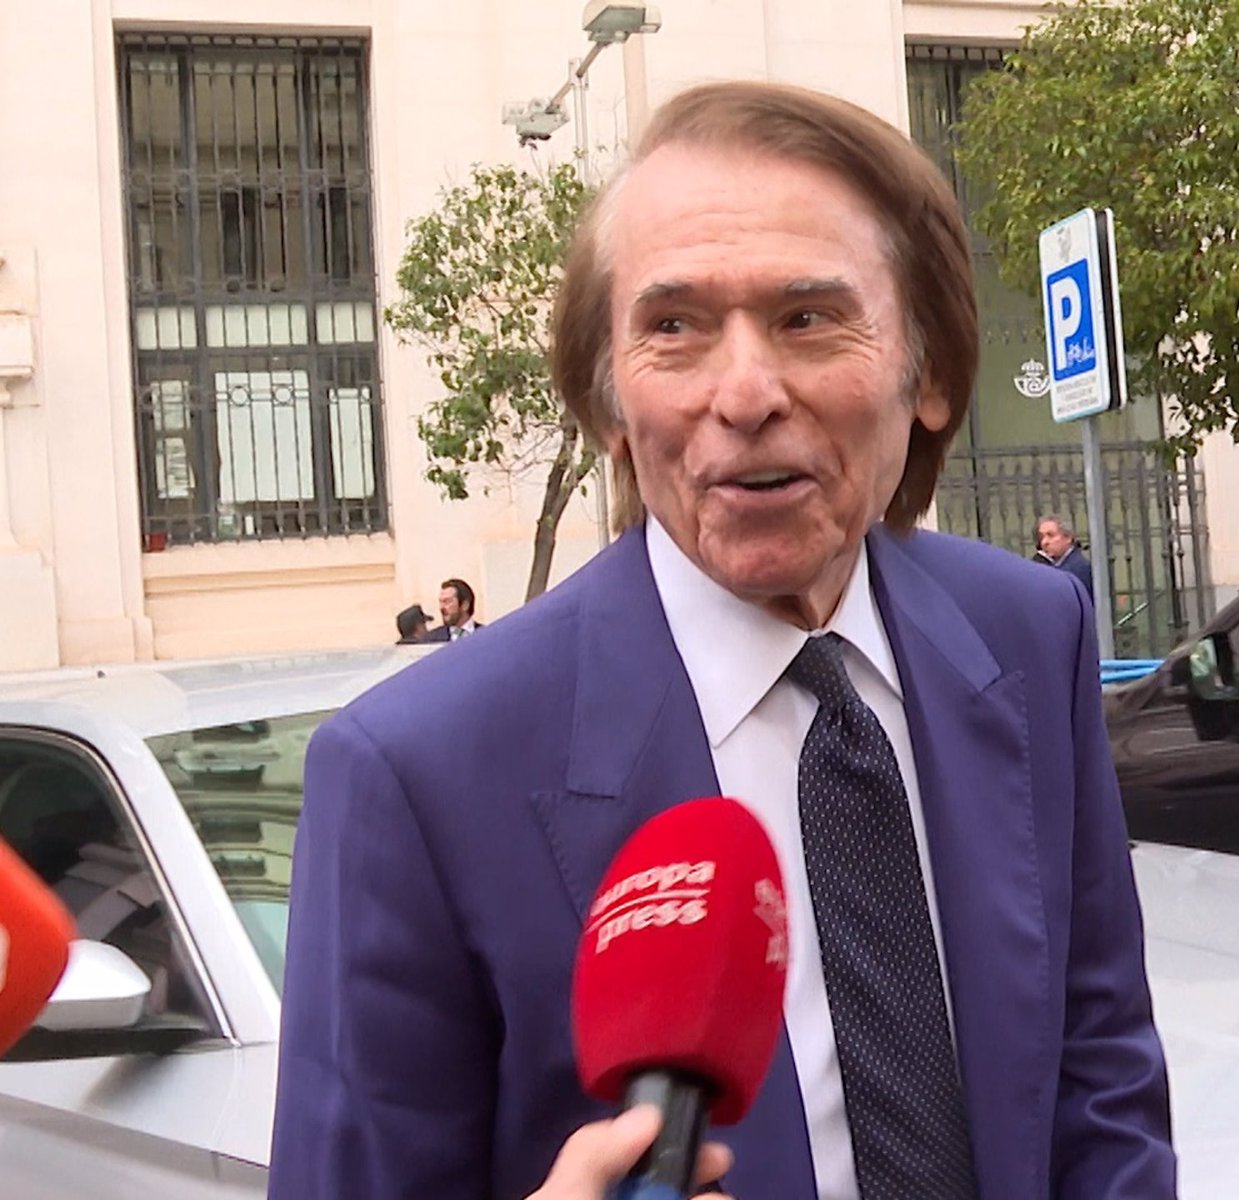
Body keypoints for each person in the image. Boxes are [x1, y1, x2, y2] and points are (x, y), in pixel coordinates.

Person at [270, 80, 1175, 1200]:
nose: (744, 395)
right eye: (674, 328)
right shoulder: (416, 771)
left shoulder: (1030, 632)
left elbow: (1100, 1080)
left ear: (930, 372)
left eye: (807, 318)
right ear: (609, 402)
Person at [1034, 514, 1095, 601]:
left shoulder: (1077, 567)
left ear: (1068, 537)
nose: (1044, 542)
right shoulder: (1054, 564)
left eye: (1050, 535)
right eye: (1041, 537)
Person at [424, 577, 483, 641]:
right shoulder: (430, 639)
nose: (441, 607)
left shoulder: (486, 636)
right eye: (441, 602)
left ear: (465, 605)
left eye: (447, 601)